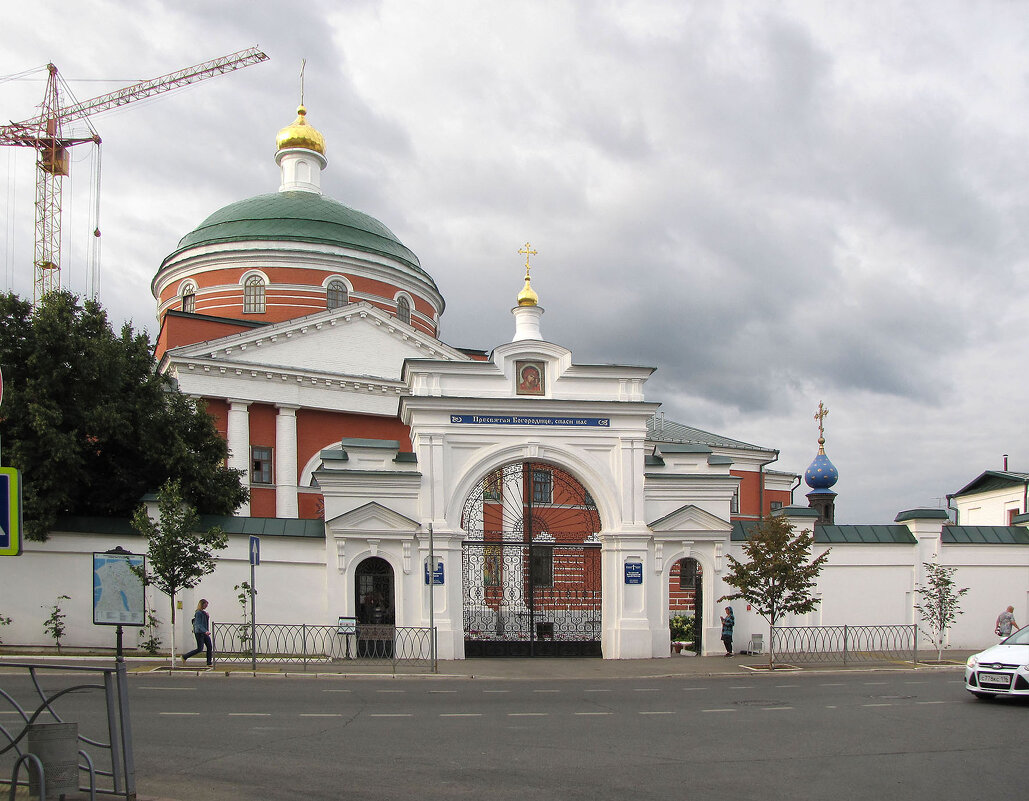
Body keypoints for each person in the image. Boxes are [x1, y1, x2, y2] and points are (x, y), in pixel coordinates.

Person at [183, 599, 213, 666]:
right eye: (205, 605)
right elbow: (198, 624)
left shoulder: (203, 612)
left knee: (209, 646)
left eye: (207, 605)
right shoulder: (198, 613)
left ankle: (209, 662)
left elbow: (205, 623)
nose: (206, 606)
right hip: (199, 633)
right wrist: (205, 631)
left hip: (204, 632)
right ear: (201, 604)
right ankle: (184, 656)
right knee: (200, 649)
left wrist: (207, 617)